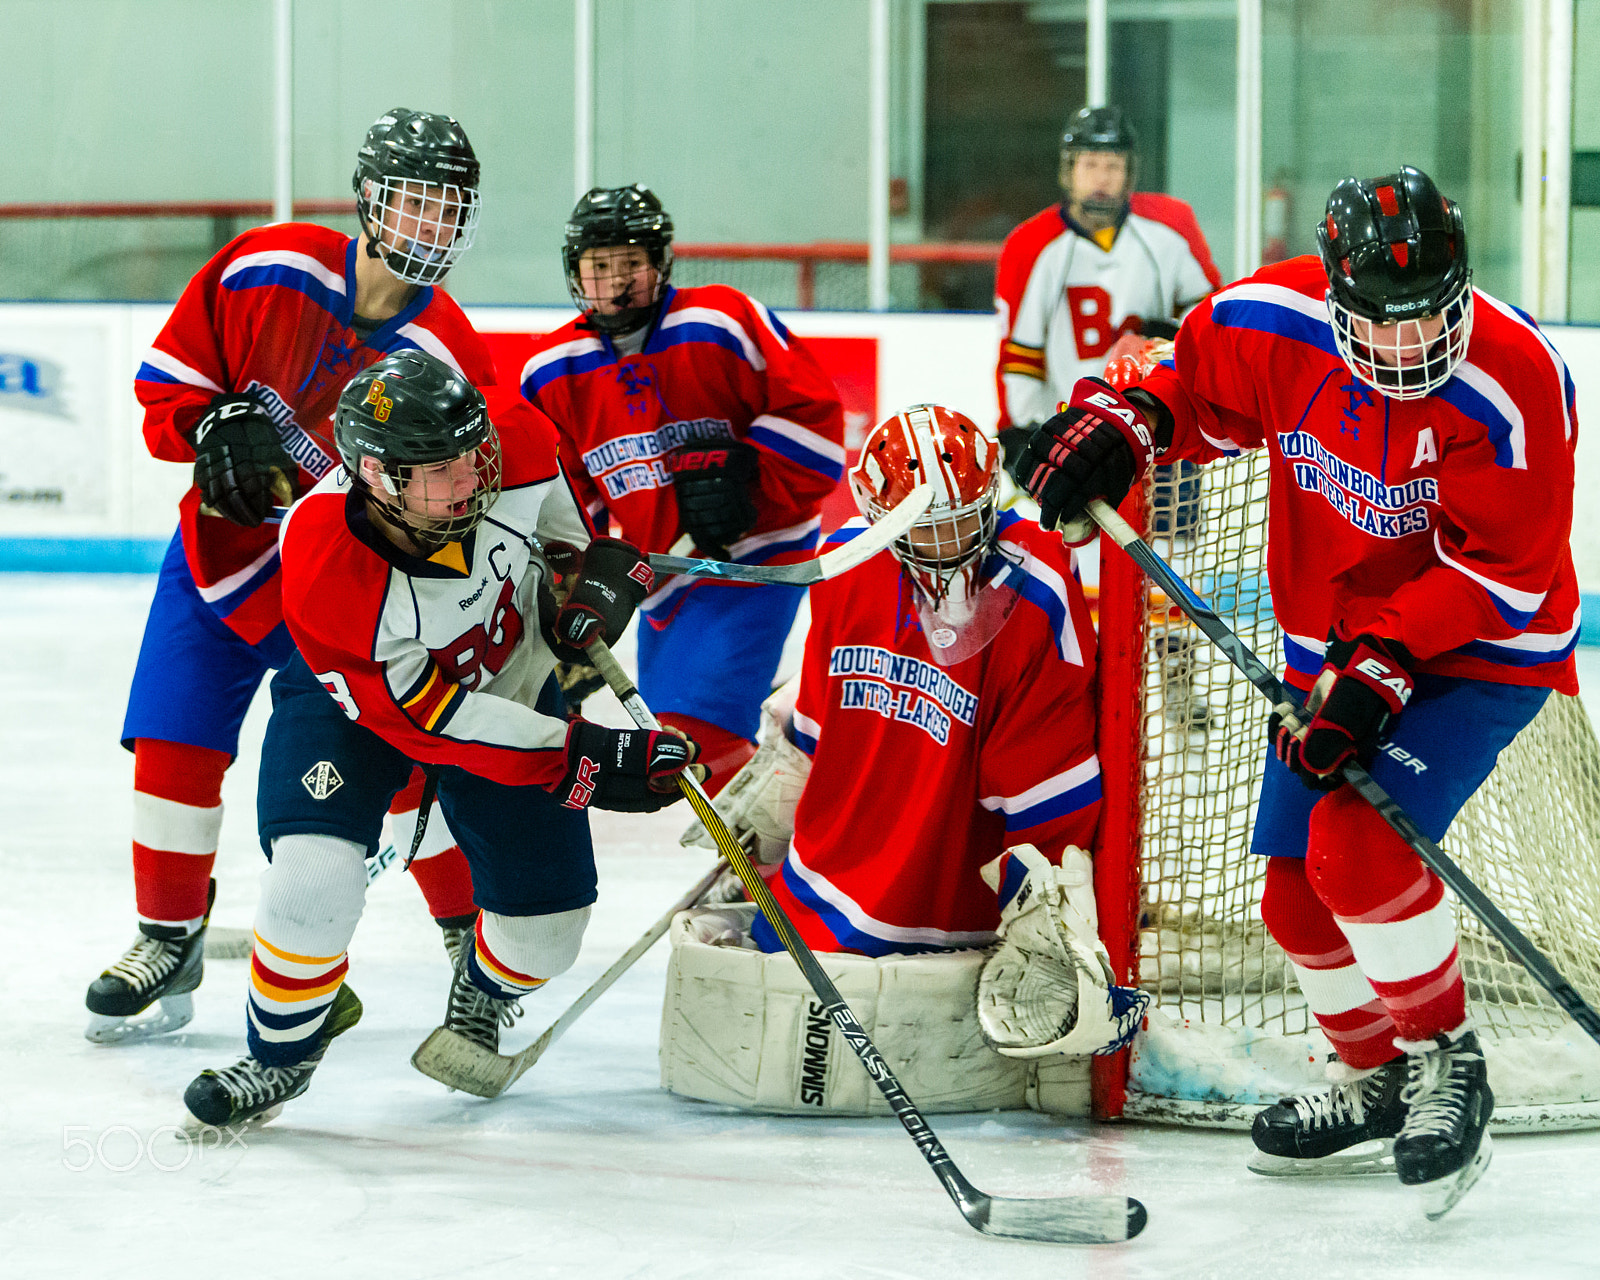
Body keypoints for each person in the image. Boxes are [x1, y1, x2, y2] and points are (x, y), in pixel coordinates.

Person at [1012, 165, 1579, 1216]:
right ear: (1333, 295)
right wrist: (1122, 424)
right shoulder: (1271, 322)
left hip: (1481, 642)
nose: (1410, 345)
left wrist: (1384, 659)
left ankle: (1448, 1062)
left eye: (1429, 317)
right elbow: (1182, 382)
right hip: (1341, 641)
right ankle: (1373, 1082)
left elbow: (1509, 568)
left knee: (1355, 851)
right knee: (1291, 893)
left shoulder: (1513, 377)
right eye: (1383, 320)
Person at [181, 351, 699, 1128]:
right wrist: (580, 756)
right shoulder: (327, 565)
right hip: (361, 709)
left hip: (510, 681)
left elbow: (561, 540)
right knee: (312, 880)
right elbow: (434, 720)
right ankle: (279, 1058)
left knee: (547, 940)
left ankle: (483, 990)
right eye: (437, 469)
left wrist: (585, 584)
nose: (469, 480)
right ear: (376, 475)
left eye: (472, 455)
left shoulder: (513, 437)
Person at [85, 109, 497, 1045]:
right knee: (173, 741)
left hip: (342, 598)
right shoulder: (265, 268)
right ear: (367, 198)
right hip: (218, 561)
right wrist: (206, 431)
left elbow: (461, 505)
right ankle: (168, 935)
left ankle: (468, 938)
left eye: (449, 209)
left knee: (397, 778)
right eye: (414, 201)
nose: (430, 226)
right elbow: (168, 398)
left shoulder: (452, 359)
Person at [665, 405, 1147, 1115]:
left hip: (948, 902)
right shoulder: (845, 560)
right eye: (924, 523)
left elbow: (1047, 781)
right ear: (875, 510)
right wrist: (774, 806)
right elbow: (817, 730)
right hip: (821, 888)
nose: (948, 542)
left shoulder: (1035, 585)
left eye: (963, 517)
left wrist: (1044, 909)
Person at [518, 185, 847, 790]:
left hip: (758, 559)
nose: (617, 283)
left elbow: (819, 419)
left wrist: (752, 482)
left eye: (631, 265)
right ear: (574, 272)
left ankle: (776, 862)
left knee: (696, 738)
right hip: (661, 578)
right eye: (600, 267)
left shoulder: (720, 320)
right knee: (669, 742)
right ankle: (778, 837)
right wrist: (577, 592)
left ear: (661, 263)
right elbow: (565, 504)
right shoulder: (550, 371)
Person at [993, 104, 1222, 451]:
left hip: (1154, 428)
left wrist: (1176, 335)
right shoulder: (1034, 246)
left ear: (1129, 174)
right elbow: (1021, 357)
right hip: (1070, 434)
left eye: (1113, 166)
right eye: (1090, 165)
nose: (1102, 178)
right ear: (1068, 171)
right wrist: (1024, 432)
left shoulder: (1167, 233)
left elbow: (1210, 318)